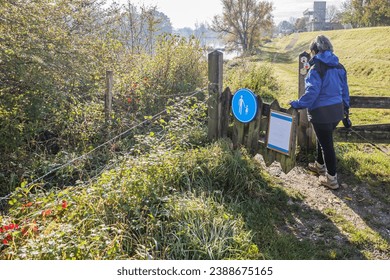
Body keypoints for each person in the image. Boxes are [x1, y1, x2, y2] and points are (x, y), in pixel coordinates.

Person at [290, 35, 350, 190]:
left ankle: (332, 180)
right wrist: (346, 108)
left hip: (321, 112)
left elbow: (312, 92)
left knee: (326, 145)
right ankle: (319, 166)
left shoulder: (316, 68)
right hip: (337, 111)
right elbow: (345, 90)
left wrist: (298, 104)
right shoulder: (339, 67)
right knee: (324, 139)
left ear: (315, 51)